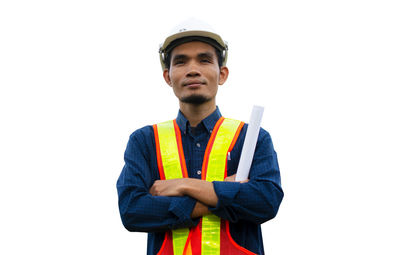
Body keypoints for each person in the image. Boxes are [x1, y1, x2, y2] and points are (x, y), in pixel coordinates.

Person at [116, 18, 283, 255]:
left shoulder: (252, 138)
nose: (193, 69)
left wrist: (184, 185)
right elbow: (133, 210)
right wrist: (224, 194)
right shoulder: (144, 141)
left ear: (222, 74)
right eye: (181, 61)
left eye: (204, 60)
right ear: (168, 76)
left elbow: (265, 202)